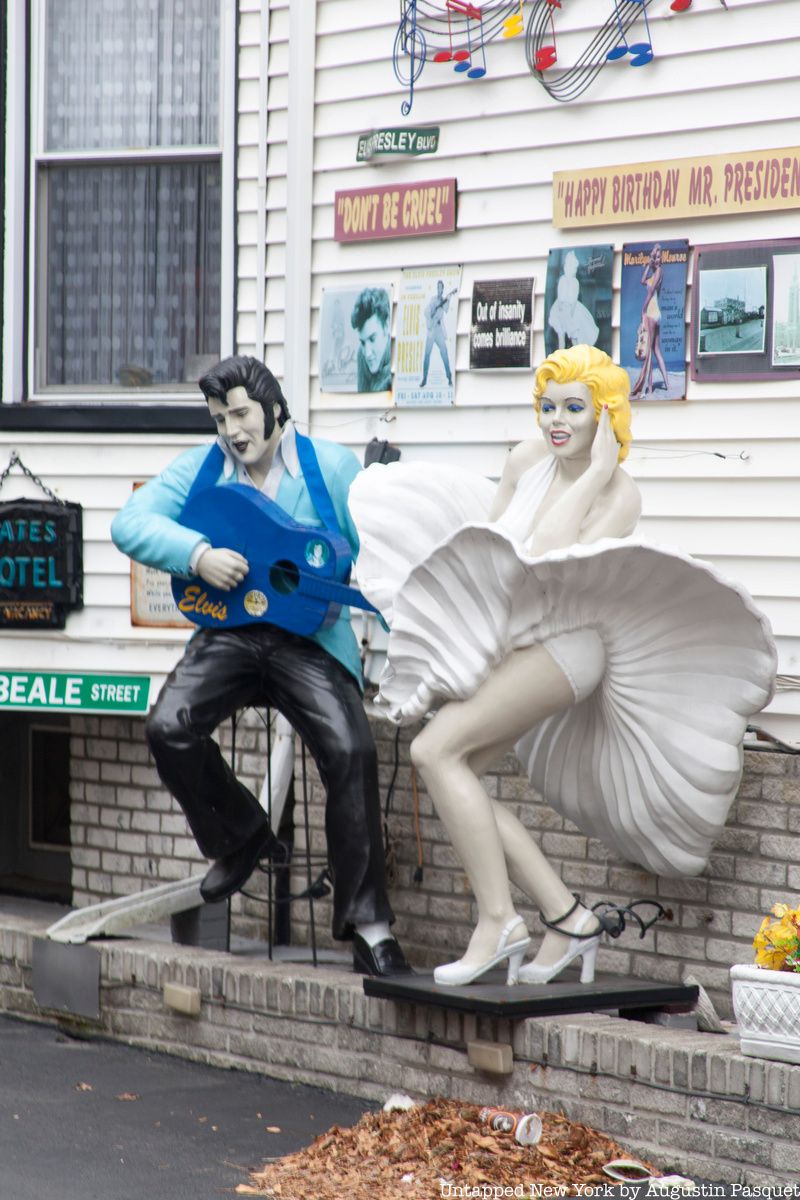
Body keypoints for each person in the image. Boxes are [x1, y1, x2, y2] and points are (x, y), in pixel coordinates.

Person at [349, 344, 776, 987]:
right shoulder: (525, 461)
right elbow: (491, 554)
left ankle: (498, 922)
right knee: (454, 769)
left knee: (434, 752)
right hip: (516, 642)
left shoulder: (619, 494)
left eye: (575, 408)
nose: (557, 421)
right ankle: (567, 915)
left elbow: (543, 559)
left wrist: (601, 469)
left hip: (571, 648)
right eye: (548, 406)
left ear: (604, 415)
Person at [111, 355, 411, 977]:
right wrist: (196, 554)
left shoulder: (330, 468)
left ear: (274, 407)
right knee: (168, 725)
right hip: (231, 632)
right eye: (221, 418)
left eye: (241, 413)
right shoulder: (204, 468)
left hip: (311, 638)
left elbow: (381, 542)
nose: (233, 430)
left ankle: (368, 925)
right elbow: (128, 523)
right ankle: (241, 835)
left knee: (352, 751)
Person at [631, 244, 670, 396]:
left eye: (658, 257)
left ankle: (649, 388)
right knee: (655, 350)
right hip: (656, 314)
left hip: (652, 313)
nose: (656, 260)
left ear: (661, 259)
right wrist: (648, 264)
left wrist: (643, 310)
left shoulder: (660, 271)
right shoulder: (653, 275)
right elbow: (642, 281)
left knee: (649, 352)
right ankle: (667, 384)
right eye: (655, 257)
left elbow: (651, 291)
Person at [547, 250, 599, 352]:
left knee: (574, 333)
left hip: (572, 309)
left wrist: (570, 314)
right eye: (570, 268)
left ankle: (576, 354)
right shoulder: (562, 280)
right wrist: (561, 310)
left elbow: (574, 300)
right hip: (561, 308)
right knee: (561, 334)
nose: (572, 271)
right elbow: (560, 296)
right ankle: (561, 355)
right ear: (566, 267)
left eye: (574, 269)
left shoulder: (575, 282)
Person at [350, 288, 392, 392]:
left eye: (372, 339)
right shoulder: (361, 354)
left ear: (386, 327)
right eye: (363, 343)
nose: (367, 353)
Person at [420, 279, 455, 387]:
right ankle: (424, 378)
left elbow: (446, 309)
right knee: (427, 354)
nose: (439, 289)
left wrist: (449, 299)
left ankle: (449, 377)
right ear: (437, 288)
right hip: (431, 330)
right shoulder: (433, 299)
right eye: (438, 287)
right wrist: (431, 317)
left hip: (439, 330)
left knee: (444, 351)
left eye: (441, 287)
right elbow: (426, 312)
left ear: (443, 289)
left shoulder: (444, 300)